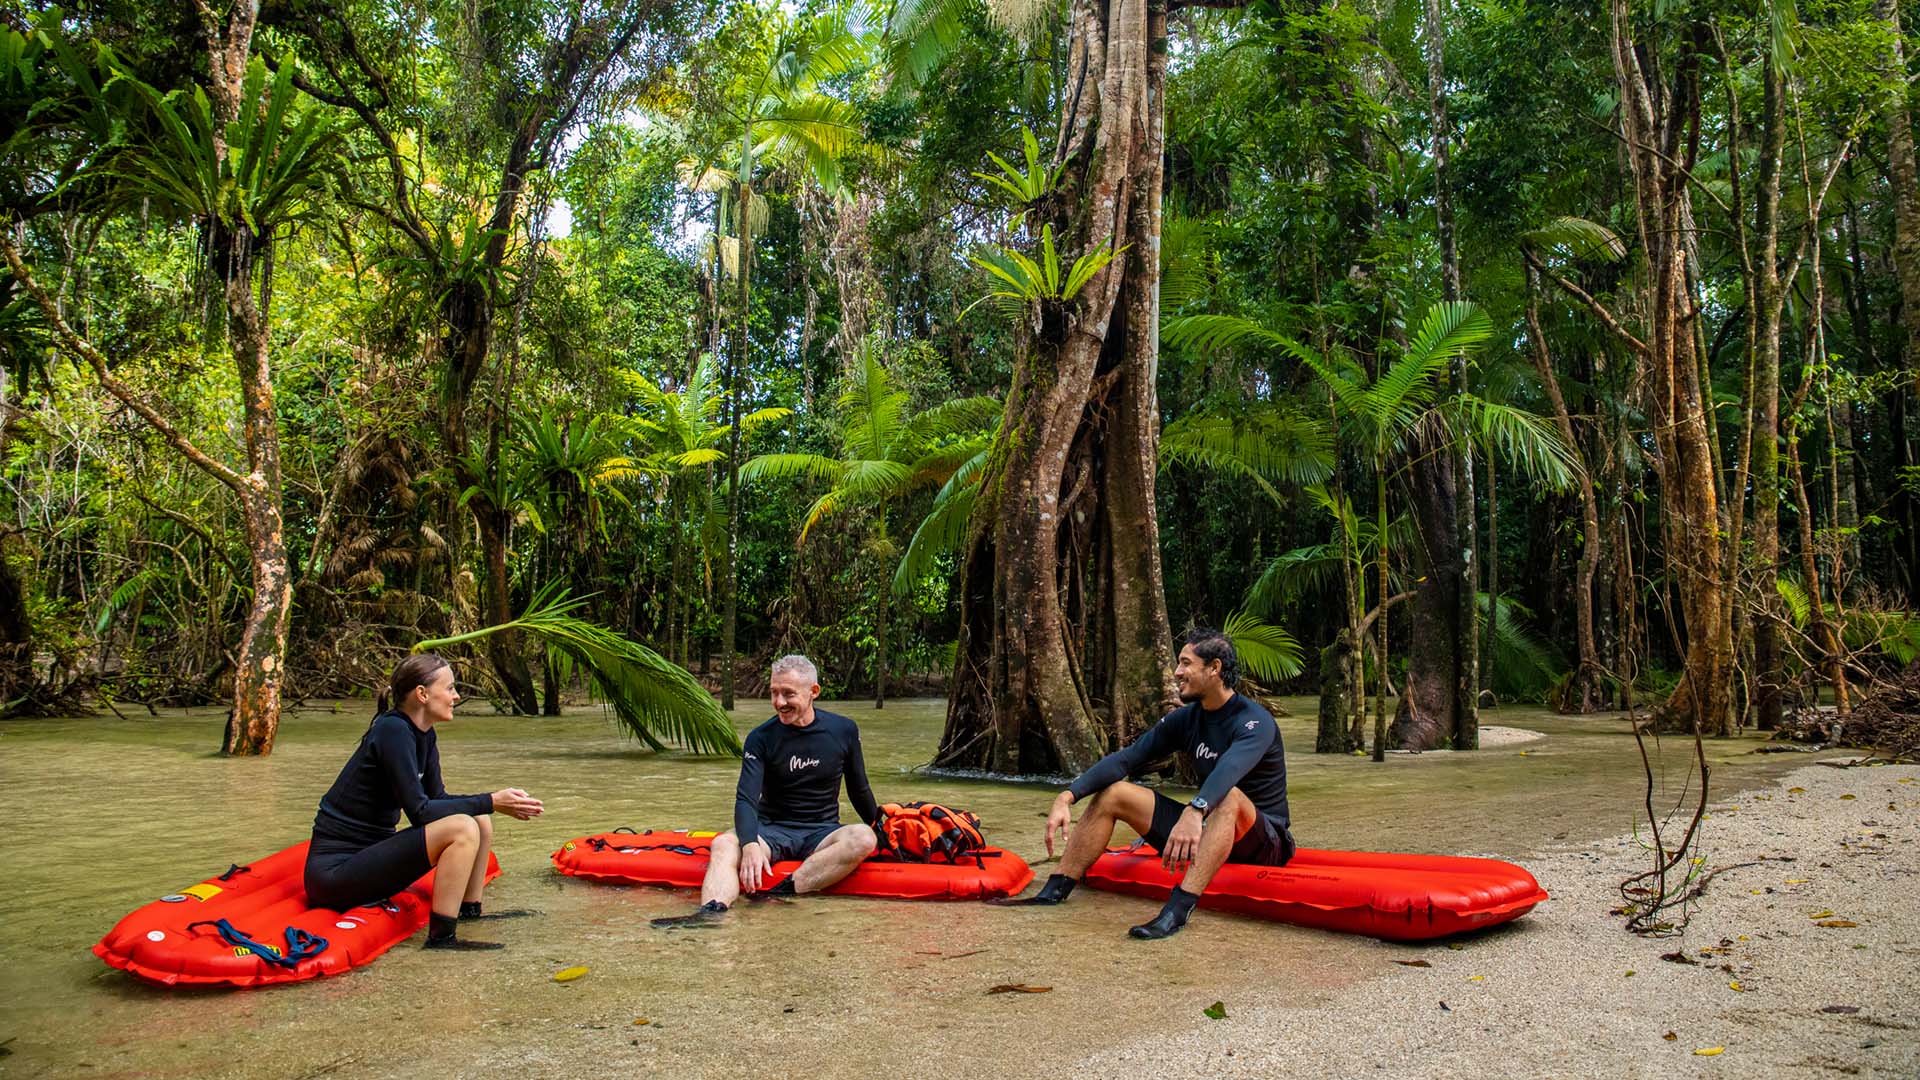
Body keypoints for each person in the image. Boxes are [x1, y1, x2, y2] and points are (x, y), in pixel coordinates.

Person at [995, 628, 1294, 939]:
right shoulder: (1187, 719)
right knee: (1114, 793)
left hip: (1264, 841)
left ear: (1214, 668)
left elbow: (1229, 770)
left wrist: (1195, 810)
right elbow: (1128, 759)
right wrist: (1068, 796)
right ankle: (1055, 890)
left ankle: (1177, 911)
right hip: (1209, 828)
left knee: (1229, 796)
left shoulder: (1255, 721)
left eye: (1186, 663)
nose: (1177, 672)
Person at [304, 653, 545, 950]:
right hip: (335, 875)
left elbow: (437, 799)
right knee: (462, 828)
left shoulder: (425, 735)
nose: (456, 696)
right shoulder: (392, 730)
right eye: (450, 688)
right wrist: (492, 800)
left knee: (479, 819)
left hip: (367, 857)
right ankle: (442, 938)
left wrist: (489, 804)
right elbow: (419, 811)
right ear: (422, 694)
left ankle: (470, 911)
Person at [651, 655, 880, 928]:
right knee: (724, 844)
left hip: (821, 832)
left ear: (814, 691)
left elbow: (859, 789)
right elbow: (746, 799)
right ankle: (710, 915)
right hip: (772, 831)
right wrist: (749, 844)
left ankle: (783, 891)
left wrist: (882, 829)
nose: (779, 702)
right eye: (774, 693)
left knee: (863, 837)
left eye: (788, 694)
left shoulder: (843, 730)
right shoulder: (761, 738)